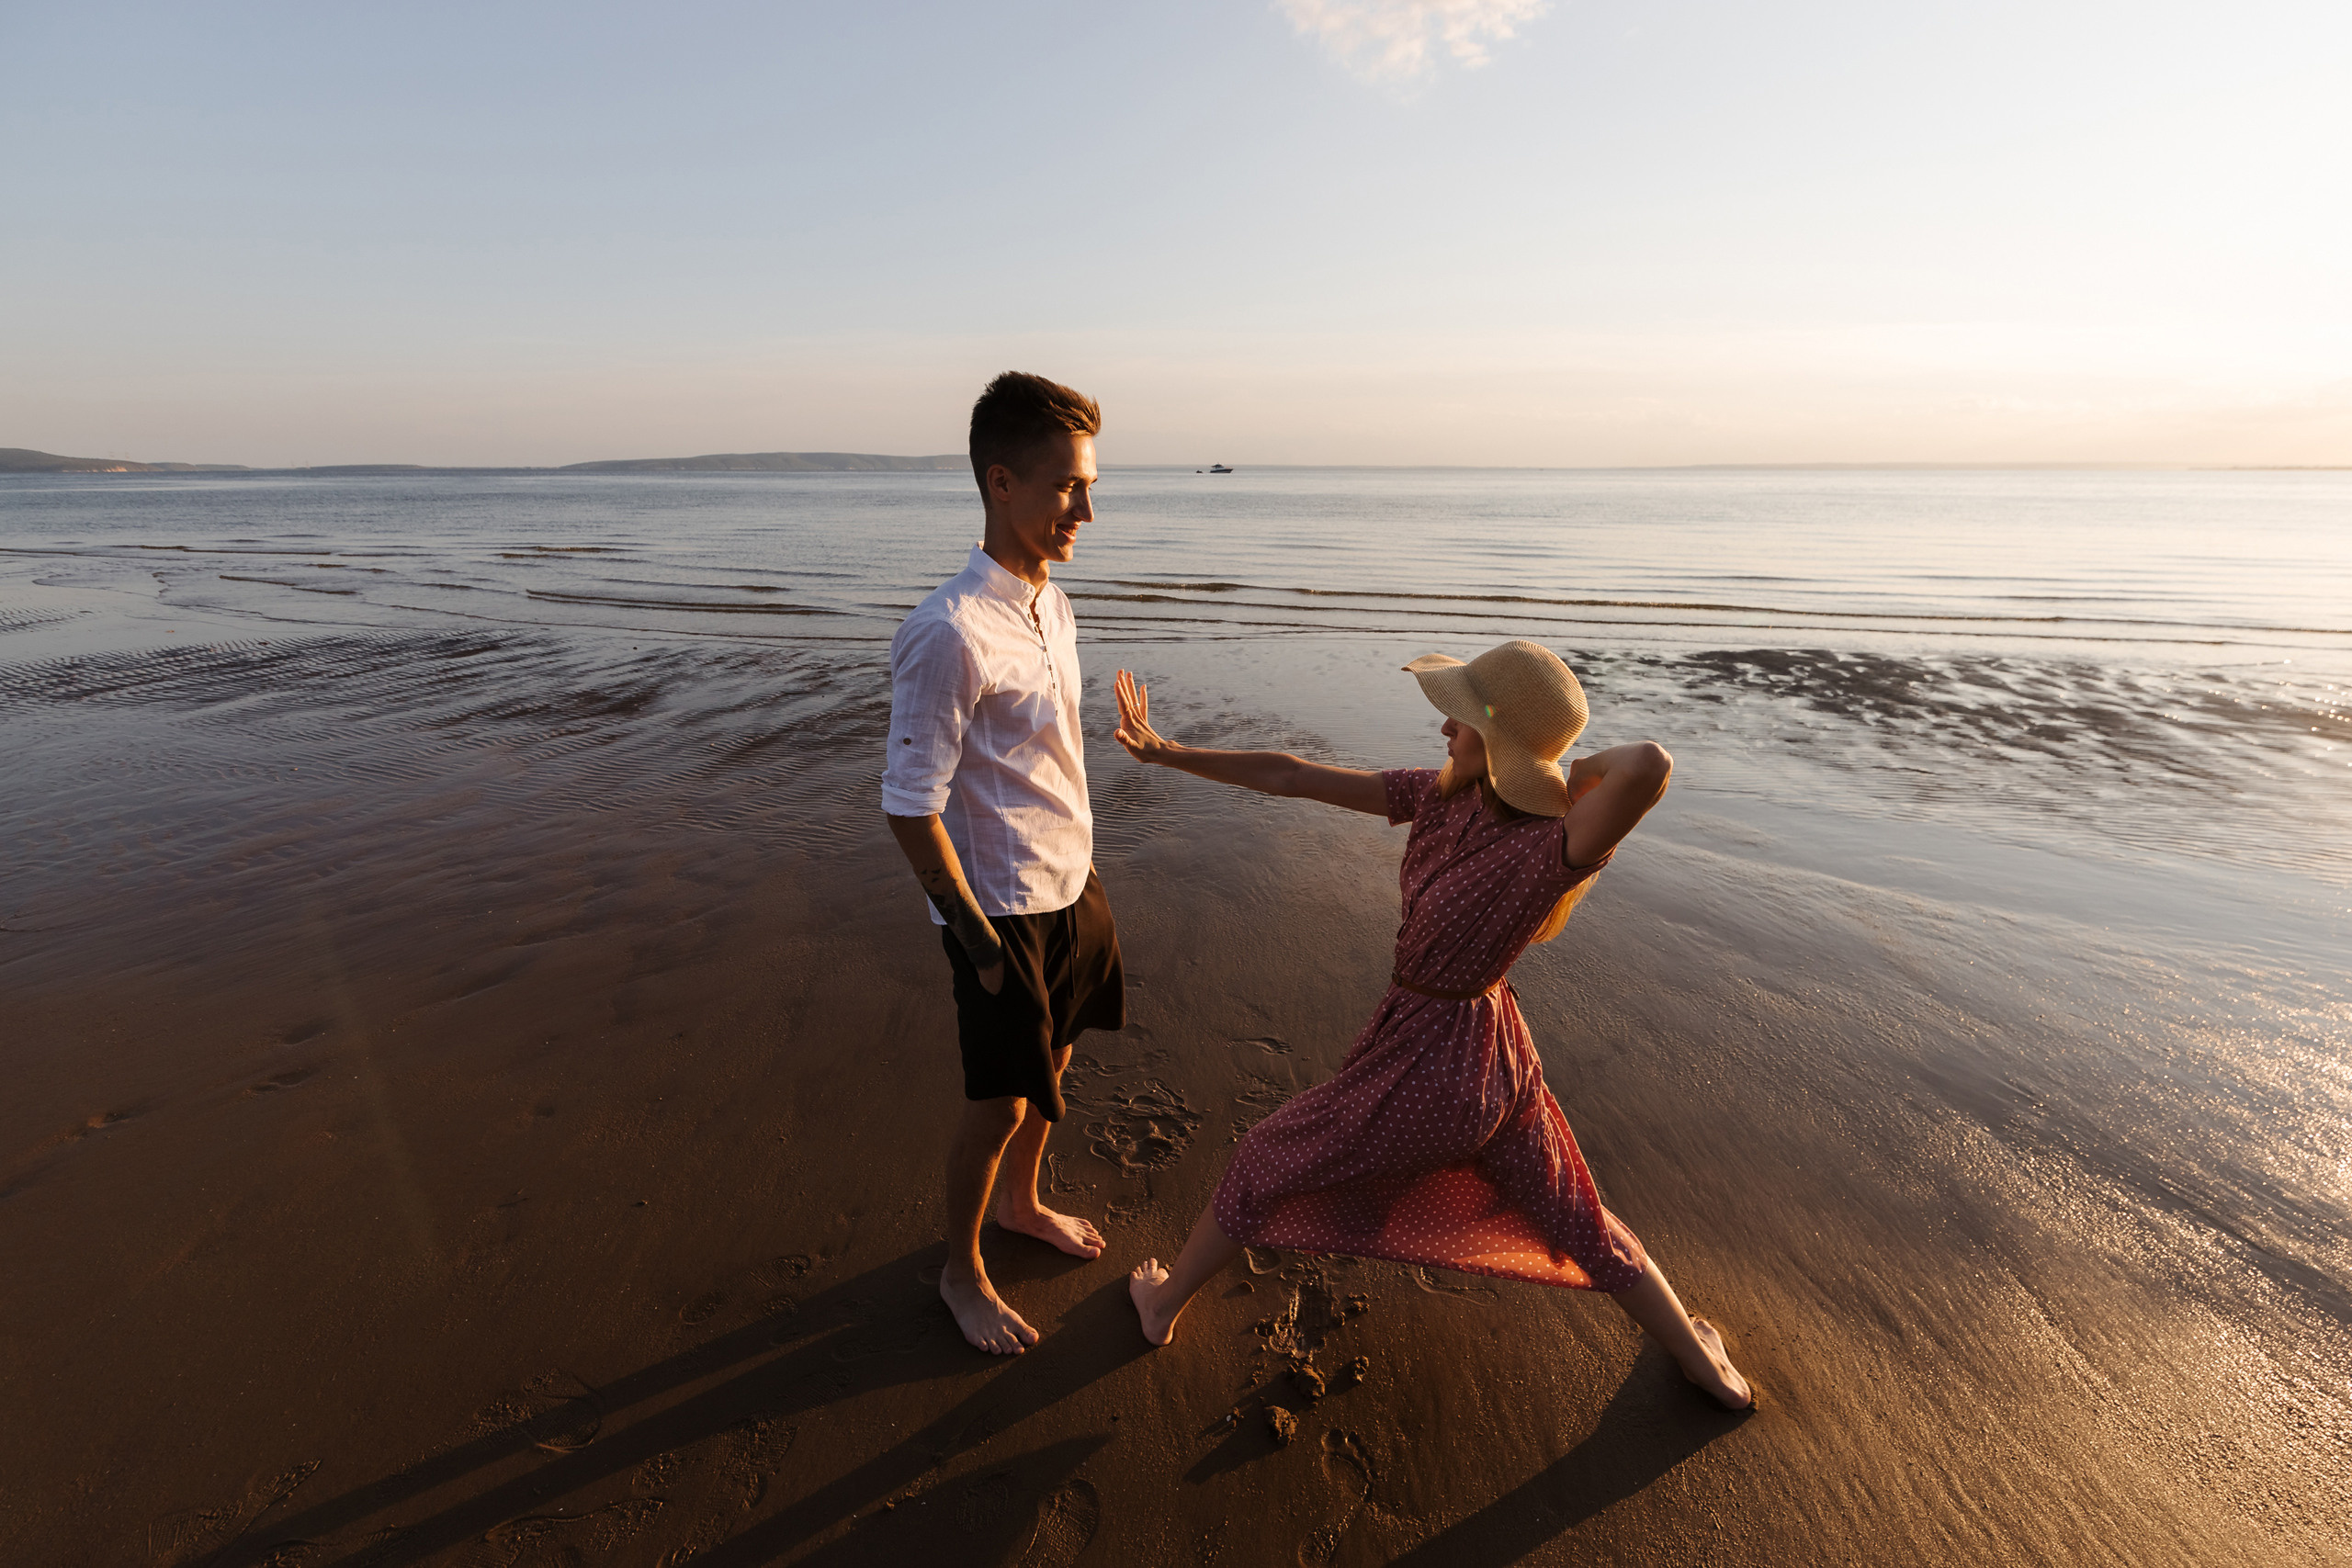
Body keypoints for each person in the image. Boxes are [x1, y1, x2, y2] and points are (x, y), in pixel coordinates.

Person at [1113, 640, 1753, 1409]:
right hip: (1491, 1056)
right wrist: (1168, 753)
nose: (1443, 729)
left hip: (1434, 1067)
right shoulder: (1443, 795)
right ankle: (1702, 1361)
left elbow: (1647, 764)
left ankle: (1161, 1304)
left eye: (1460, 716)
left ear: (1502, 739)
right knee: (1577, 1216)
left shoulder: (1552, 845)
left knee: (1262, 1157)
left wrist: (1555, 773)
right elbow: (1294, 775)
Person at [882, 371, 1125, 1356]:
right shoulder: (946, 633)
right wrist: (980, 947)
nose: (1087, 509)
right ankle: (960, 1270)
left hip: (1073, 885)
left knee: (1055, 1064)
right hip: (1002, 913)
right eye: (1068, 486)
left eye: (1089, 484)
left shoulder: (1050, 606)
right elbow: (909, 808)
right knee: (998, 1102)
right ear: (1001, 484)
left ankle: (1021, 1204)